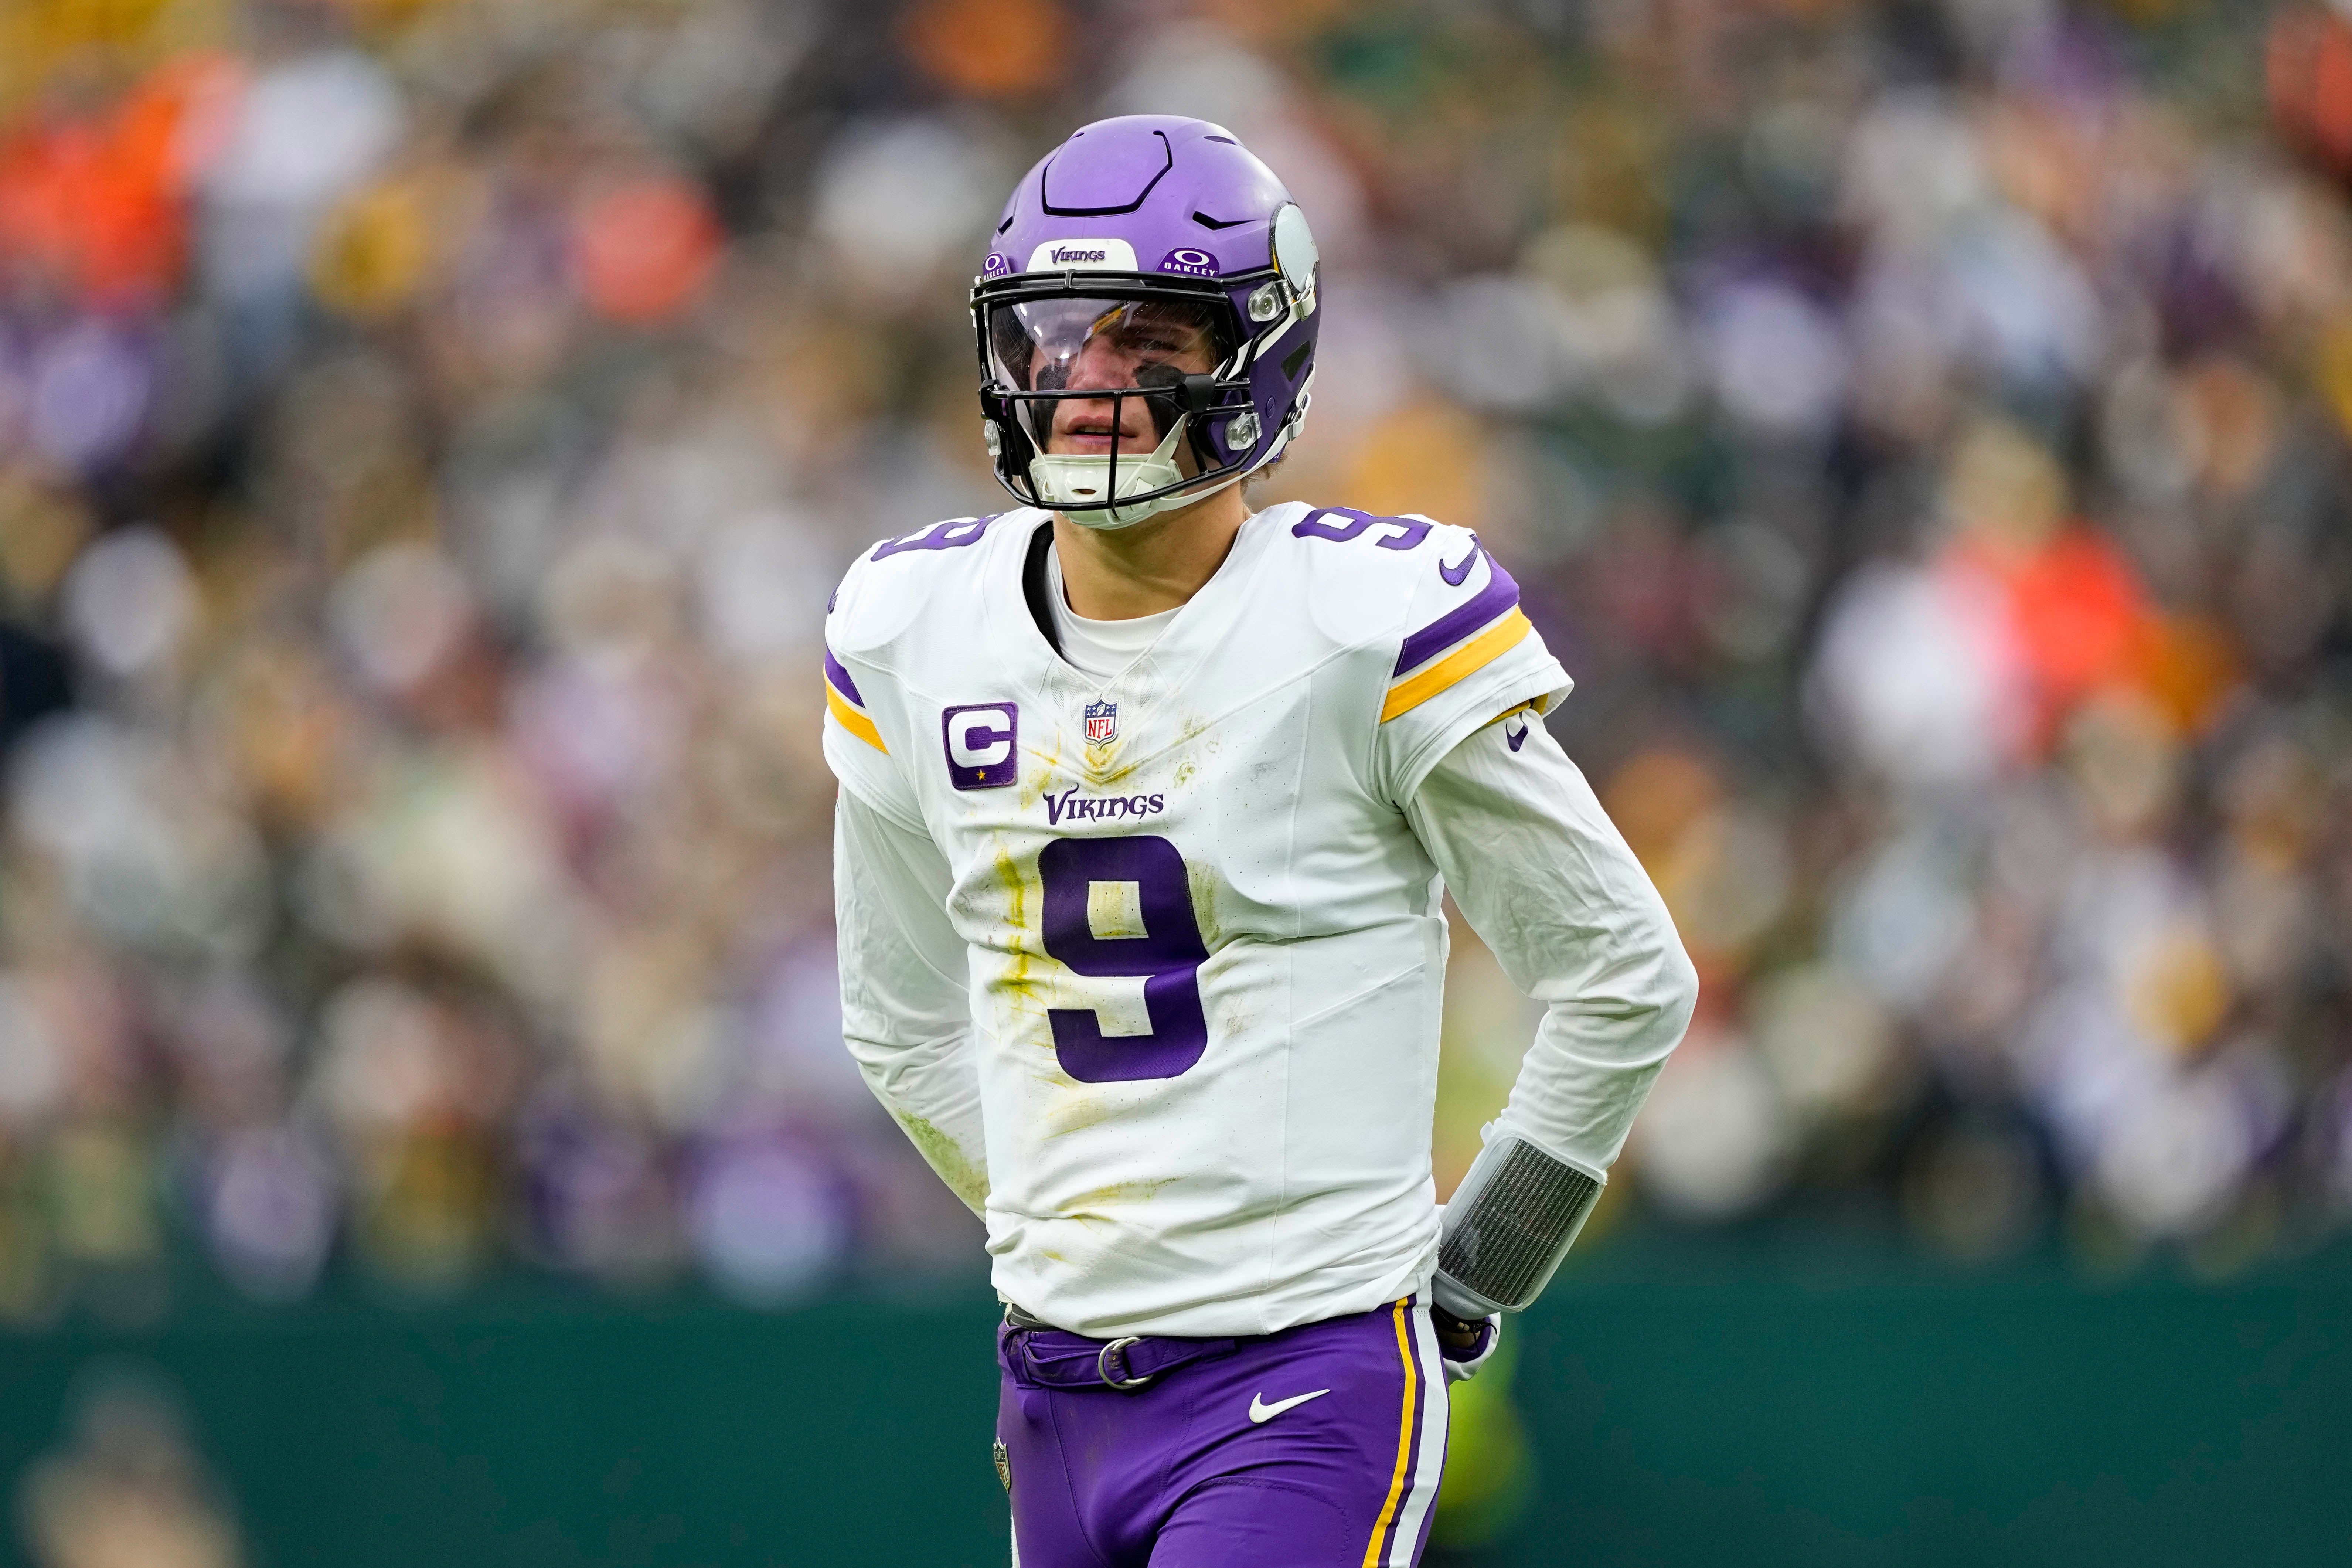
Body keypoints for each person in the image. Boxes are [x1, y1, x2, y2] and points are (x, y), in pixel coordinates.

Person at [823, 115, 1697, 1567]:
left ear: (1257, 355)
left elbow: (1622, 973)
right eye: (1057, 336)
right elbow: (898, 1020)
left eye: (1149, 337)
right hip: (1055, 1386)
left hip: (1303, 1370)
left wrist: (1475, 1265)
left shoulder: (1363, 622)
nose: (1090, 380)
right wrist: (1097, 1235)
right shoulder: (914, 629)